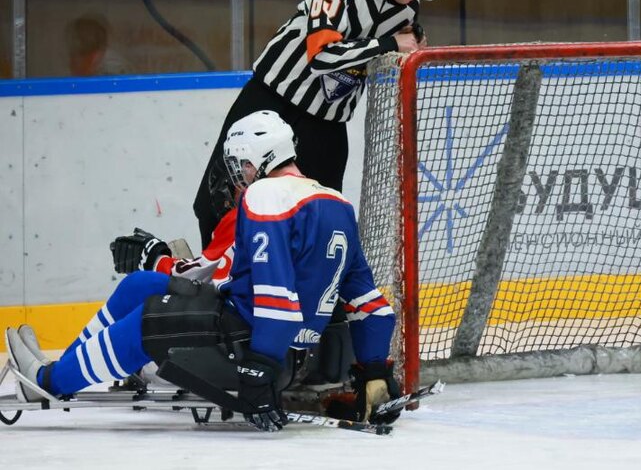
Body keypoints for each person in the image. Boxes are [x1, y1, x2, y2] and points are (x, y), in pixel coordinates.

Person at [5, 111, 397, 431]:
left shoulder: (264, 195)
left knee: (148, 322)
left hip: (250, 350)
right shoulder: (336, 202)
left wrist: (260, 369)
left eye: (239, 167)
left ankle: (46, 383)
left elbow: (276, 299)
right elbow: (372, 306)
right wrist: (375, 373)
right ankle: (65, 368)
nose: (239, 177)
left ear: (253, 162)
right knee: (143, 285)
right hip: (288, 352)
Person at [192, 0, 453, 248]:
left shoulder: (407, 11)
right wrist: (389, 44)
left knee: (324, 219)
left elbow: (380, 58)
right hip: (272, 99)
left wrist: (405, 52)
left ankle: (297, 279)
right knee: (217, 200)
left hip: (327, 124)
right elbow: (320, 56)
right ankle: (219, 272)